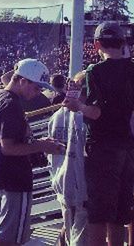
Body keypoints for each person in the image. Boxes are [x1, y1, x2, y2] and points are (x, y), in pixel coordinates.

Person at [63, 22, 134, 246]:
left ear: (97, 44)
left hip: (101, 149)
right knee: (119, 214)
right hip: (127, 148)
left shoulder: (94, 72)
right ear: (123, 42)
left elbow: (96, 112)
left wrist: (77, 106)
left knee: (98, 214)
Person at [0, 58, 65, 246]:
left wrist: (38, 142)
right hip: (15, 179)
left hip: (3, 176)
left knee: (2, 228)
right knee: (11, 235)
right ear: (23, 81)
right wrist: (43, 146)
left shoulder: (1, 98)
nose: (38, 92)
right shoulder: (11, 105)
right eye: (37, 87)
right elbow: (8, 147)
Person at [48, 73, 88, 246]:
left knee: (70, 229)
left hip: (62, 181)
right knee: (81, 235)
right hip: (82, 184)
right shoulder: (84, 117)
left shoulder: (56, 116)